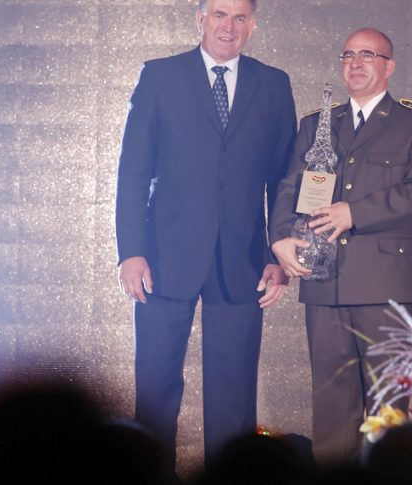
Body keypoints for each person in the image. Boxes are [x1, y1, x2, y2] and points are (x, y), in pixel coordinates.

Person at [114, 0, 296, 468]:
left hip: (244, 261)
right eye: (219, 14)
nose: (228, 26)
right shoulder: (160, 76)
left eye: (239, 17)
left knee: (234, 392)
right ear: (201, 20)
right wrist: (131, 251)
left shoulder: (274, 85)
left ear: (252, 26)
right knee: (155, 387)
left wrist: (276, 255)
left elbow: (283, 181)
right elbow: (133, 171)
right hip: (163, 258)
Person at [270, 28, 412, 463]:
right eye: (348, 55)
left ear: (389, 66)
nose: (356, 63)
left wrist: (355, 212)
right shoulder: (317, 123)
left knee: (389, 415)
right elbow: (290, 188)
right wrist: (281, 238)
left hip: (386, 288)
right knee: (331, 413)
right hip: (324, 283)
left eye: (368, 55)